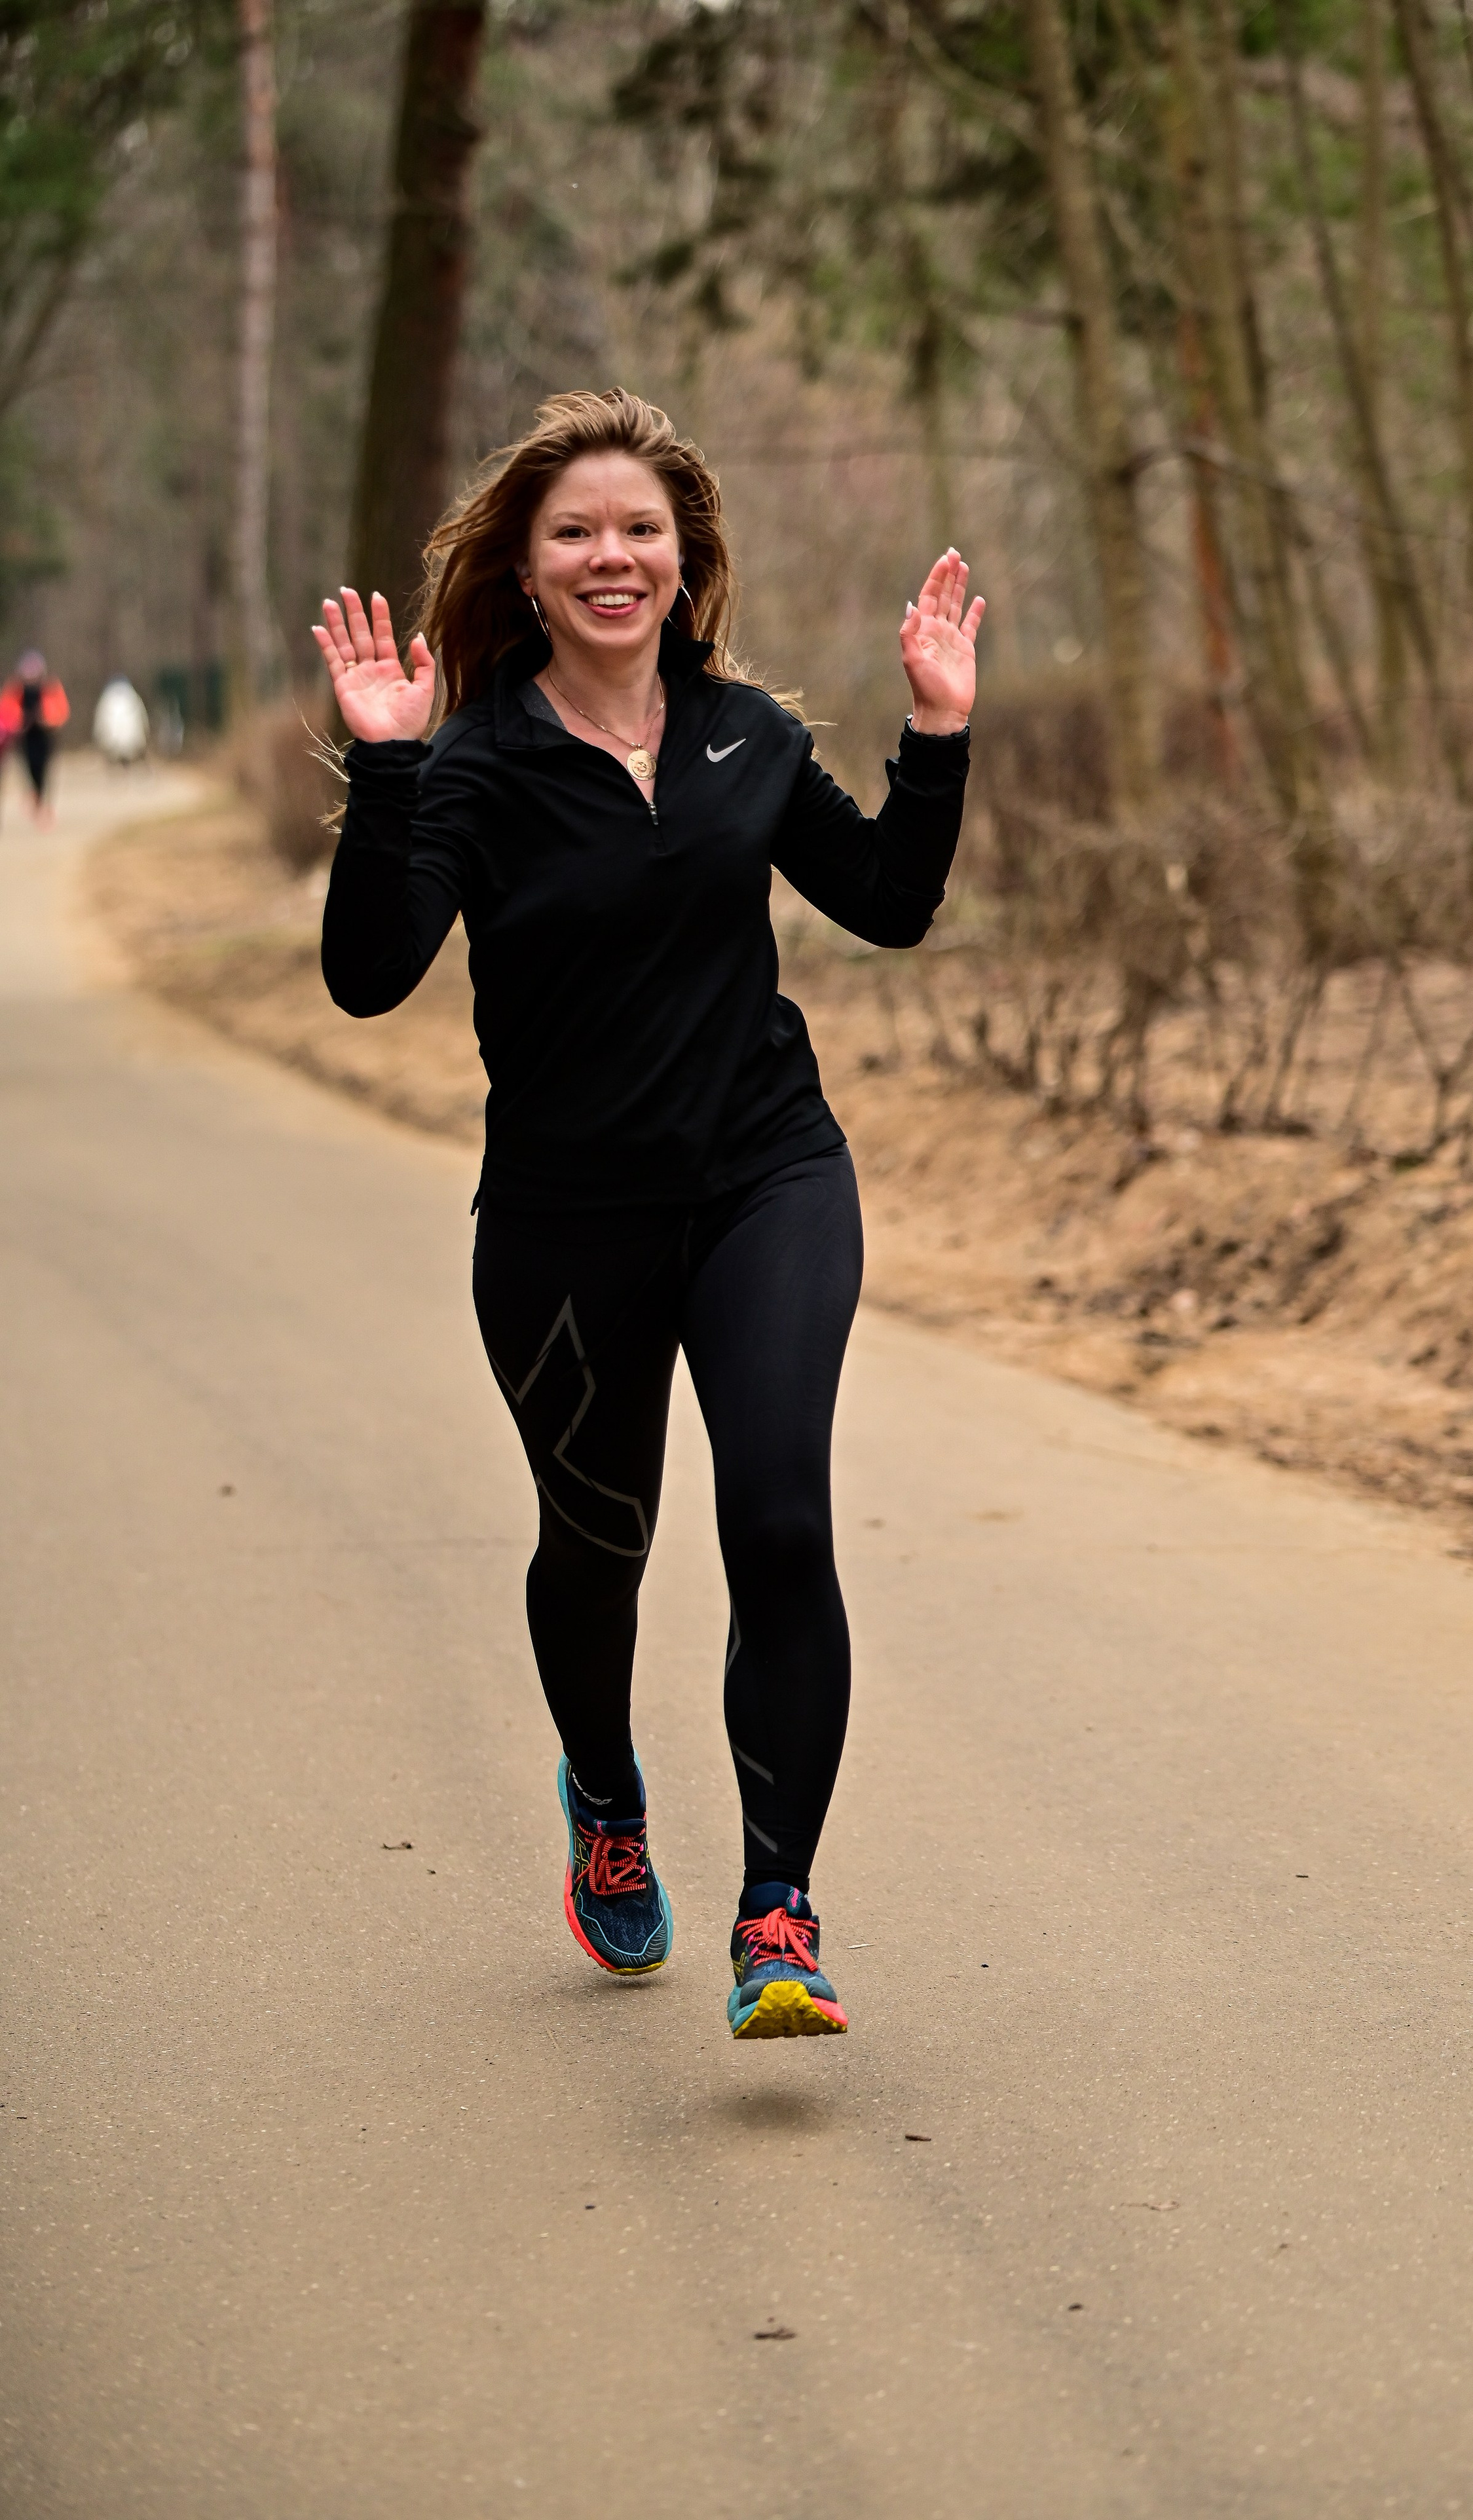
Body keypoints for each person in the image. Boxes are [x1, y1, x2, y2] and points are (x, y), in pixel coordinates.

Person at [312, 388, 982, 2041]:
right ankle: (603, 1792)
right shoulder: (472, 761)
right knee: (597, 1547)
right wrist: (387, 764)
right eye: (575, 534)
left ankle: (778, 1911)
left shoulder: (747, 734)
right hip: (562, 1220)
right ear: (524, 573)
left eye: (639, 530)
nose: (612, 556)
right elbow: (365, 973)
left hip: (767, 1174)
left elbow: (887, 902)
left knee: (774, 1519)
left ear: (683, 561)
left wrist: (939, 733)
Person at [0, 651, 71, 823]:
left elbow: (61, 711)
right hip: (24, 737)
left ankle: (41, 802)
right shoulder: (16, 690)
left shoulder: (50, 688)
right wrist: (19, 721)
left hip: (45, 736)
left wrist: (46, 718)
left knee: (44, 770)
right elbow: (6, 711)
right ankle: (35, 799)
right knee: (28, 769)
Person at [92, 676, 150, 767]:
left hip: (115, 744)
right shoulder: (133, 698)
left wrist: (99, 738)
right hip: (130, 743)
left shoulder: (107, 699)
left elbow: (100, 724)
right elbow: (143, 720)